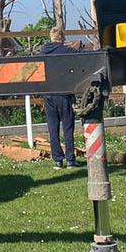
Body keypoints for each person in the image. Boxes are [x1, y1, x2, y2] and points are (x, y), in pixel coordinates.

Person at [39, 24, 81, 168]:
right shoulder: (66, 50)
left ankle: (57, 160)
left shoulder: (43, 51)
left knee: (53, 128)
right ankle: (70, 159)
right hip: (63, 93)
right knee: (68, 127)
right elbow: (81, 56)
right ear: (61, 37)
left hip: (48, 94)